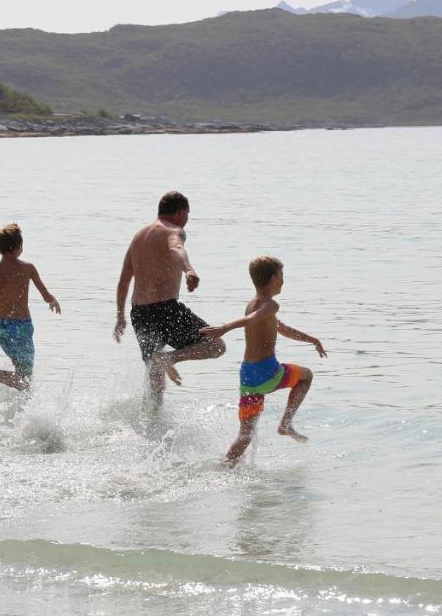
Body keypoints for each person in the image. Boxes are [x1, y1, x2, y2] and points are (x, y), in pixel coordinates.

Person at [200, 255, 326, 465]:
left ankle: (224, 467)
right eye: (281, 275)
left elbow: (282, 329)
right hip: (267, 373)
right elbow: (250, 321)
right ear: (273, 279)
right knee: (306, 376)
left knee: (245, 436)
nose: (284, 280)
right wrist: (224, 328)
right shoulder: (270, 305)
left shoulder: (253, 304)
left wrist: (311, 339)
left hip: (248, 376)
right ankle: (285, 424)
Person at [114, 190, 226, 409]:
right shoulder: (174, 230)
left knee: (154, 373)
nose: (187, 220)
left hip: (139, 313)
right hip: (165, 308)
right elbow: (176, 247)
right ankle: (170, 358)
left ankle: (154, 421)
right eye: (187, 214)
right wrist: (189, 270)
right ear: (180, 211)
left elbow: (124, 281)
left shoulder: (138, 236)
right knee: (216, 345)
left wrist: (119, 316)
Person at [0, 223, 61, 393]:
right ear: (19, 246)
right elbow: (45, 295)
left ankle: (17, 406)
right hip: (22, 327)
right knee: (25, 380)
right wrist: (53, 301)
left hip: (2, 328)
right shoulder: (28, 268)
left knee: (21, 377)